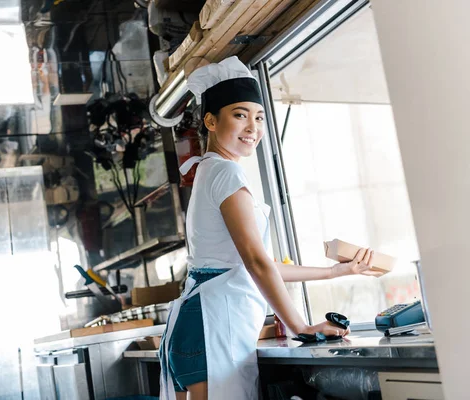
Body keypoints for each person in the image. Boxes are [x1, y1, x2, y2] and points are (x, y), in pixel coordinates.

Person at [158, 57, 382, 400]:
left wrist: (335, 272)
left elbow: (252, 266)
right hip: (212, 328)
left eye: (259, 117)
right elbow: (256, 263)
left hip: (197, 326)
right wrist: (301, 327)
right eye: (240, 115)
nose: (253, 127)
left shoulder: (210, 170)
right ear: (210, 121)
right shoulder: (226, 173)